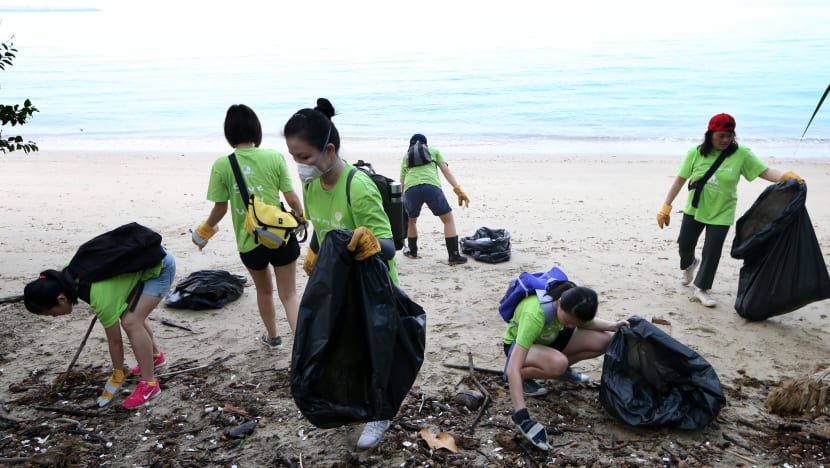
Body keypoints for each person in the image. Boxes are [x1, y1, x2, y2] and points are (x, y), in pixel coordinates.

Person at [283, 97, 398, 451]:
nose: (299, 166)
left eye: (303, 157)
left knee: (376, 350)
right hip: (340, 284)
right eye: (294, 158)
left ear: (328, 150)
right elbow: (320, 225)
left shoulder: (358, 187)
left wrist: (369, 241)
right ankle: (357, 402)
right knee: (348, 346)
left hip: (372, 285)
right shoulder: (312, 183)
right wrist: (315, 249)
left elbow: (390, 245)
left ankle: (382, 412)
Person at [657, 113, 805, 307]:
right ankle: (690, 264)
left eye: (729, 135)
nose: (726, 140)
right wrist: (666, 207)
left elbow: (765, 171)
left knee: (712, 250)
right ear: (710, 134)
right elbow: (679, 180)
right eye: (721, 135)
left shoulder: (741, 154)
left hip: (722, 211)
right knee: (685, 244)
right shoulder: (695, 153)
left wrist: (786, 177)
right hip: (695, 208)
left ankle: (701, 288)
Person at [191, 104, 304, 349]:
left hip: (250, 242)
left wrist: (203, 233)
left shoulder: (223, 165)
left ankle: (273, 338)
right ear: (256, 129)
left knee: (264, 292)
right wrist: (301, 217)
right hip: (281, 236)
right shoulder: (274, 157)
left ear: (229, 133)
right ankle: (303, 349)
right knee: (290, 295)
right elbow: (292, 198)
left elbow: (219, 209)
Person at [23, 244, 176, 410]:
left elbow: (115, 342)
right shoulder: (68, 272)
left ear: (61, 299)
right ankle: (154, 357)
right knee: (129, 313)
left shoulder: (98, 297)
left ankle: (150, 384)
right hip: (142, 263)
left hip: (160, 267)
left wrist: (117, 374)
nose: (54, 317)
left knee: (131, 321)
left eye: (51, 313)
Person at [502, 285, 629, 450]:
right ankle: (525, 378)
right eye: (569, 321)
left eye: (576, 323)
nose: (571, 325)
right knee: (558, 364)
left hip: (551, 338)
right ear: (559, 302)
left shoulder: (572, 298)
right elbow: (512, 366)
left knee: (606, 340)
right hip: (519, 347)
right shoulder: (535, 314)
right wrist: (522, 417)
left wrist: (614, 325)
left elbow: (588, 323)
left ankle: (556, 369)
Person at [399, 133, 470, 265]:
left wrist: (401, 200)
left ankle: (412, 251)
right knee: (448, 220)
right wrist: (458, 190)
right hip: (432, 188)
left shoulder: (406, 156)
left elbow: (401, 182)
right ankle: (453, 256)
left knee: (411, 221)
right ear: (426, 144)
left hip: (411, 190)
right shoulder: (434, 151)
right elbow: (446, 172)